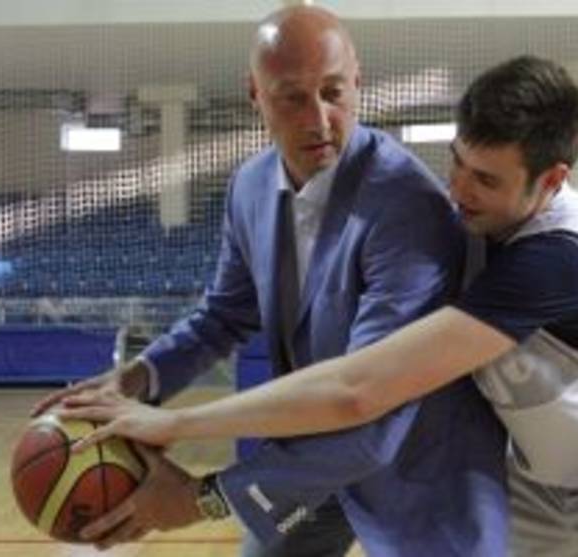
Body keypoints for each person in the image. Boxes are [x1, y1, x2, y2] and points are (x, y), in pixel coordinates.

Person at [61, 55, 578, 557]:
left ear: (552, 180)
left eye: (486, 179)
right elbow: (237, 320)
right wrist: (143, 383)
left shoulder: (558, 260)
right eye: (457, 162)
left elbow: (360, 388)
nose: (458, 190)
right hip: (535, 480)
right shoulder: (453, 221)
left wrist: (177, 427)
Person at [37, 5, 509, 557]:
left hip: (419, 470)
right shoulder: (251, 186)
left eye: (333, 92)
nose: (318, 119)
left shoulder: (409, 208)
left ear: (358, 81)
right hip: (312, 466)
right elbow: (222, 317)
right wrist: (135, 381)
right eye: (292, 97)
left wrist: (199, 499)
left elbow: (371, 411)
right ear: (255, 95)